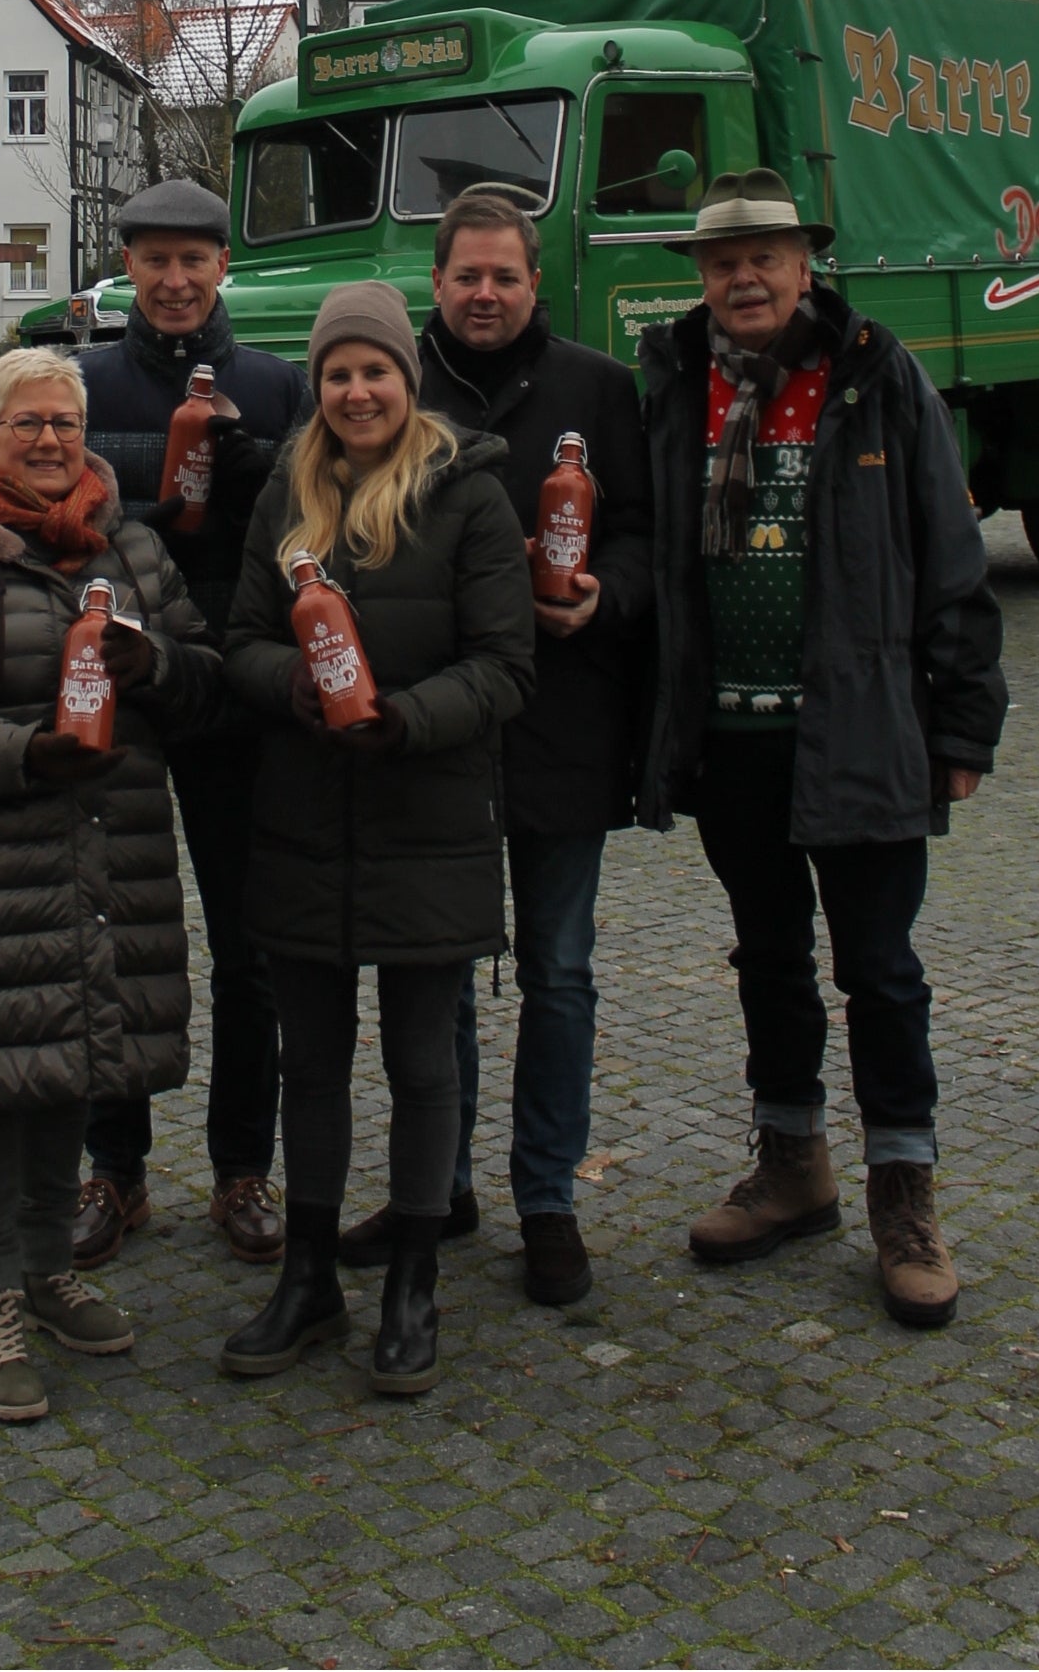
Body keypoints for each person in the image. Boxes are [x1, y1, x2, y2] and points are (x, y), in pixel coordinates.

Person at [637, 169, 1007, 1330]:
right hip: (732, 737)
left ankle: (905, 1197)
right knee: (766, 958)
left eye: (765, 256)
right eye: (719, 260)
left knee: (879, 971)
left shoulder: (875, 374)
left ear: (805, 264)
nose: (742, 277)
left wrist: (960, 721)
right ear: (698, 276)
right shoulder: (674, 381)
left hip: (858, 730)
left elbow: (947, 550)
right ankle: (792, 1166)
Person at [0, 347, 222, 1422]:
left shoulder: (132, 544)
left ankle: (48, 1263)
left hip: (106, 852)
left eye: (65, 420)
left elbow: (199, 673)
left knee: (67, 1062)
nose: (52, 439)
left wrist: (151, 664)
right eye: (27, 423)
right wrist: (22, 752)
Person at [335, 185, 653, 1308]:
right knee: (437, 978)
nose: (482, 293)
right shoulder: (384, 386)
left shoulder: (600, 390)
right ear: (437, 281)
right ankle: (441, 1184)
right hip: (435, 728)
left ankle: (546, 1197)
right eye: (464, 274)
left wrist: (603, 594)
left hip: (562, 724)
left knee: (557, 973)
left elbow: (642, 535)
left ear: (535, 282)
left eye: (503, 276)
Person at [218, 282, 534, 1395]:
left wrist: (401, 718)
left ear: (408, 378)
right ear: (317, 384)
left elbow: (504, 663)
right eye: (337, 372)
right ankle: (306, 1277)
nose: (356, 390)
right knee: (309, 1061)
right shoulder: (284, 490)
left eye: (375, 370)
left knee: (418, 1059)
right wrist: (295, 693)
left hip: (426, 816)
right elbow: (243, 639)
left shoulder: (468, 495)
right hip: (302, 814)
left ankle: (410, 1278)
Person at [71, 178, 310, 1271]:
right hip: (116, 688)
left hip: (228, 690)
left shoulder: (276, 383)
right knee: (109, 938)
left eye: (193, 261)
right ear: (128, 266)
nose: (173, 281)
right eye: (154, 260)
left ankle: (239, 1169)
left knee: (247, 946)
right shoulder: (82, 382)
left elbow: (314, 524)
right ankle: (112, 1168)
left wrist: (253, 462)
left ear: (223, 268)